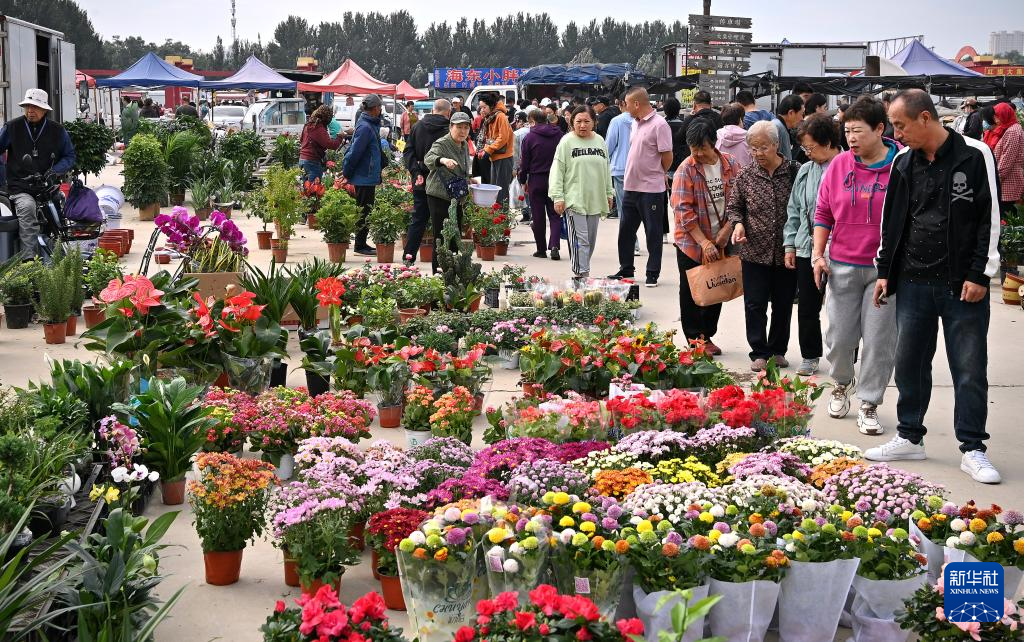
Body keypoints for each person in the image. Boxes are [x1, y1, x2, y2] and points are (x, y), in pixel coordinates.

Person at [865, 89, 1002, 484]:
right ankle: (910, 436)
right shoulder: (903, 163)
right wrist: (885, 272)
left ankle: (973, 448)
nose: (896, 132)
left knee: (969, 368)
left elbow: (988, 219)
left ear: (925, 119)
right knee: (909, 363)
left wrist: (980, 275)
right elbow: (891, 222)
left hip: (962, 285)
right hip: (913, 282)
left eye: (900, 125)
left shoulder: (974, 155)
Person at [811, 96, 900, 435]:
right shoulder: (839, 165)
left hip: (883, 270)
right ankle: (841, 383)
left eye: (858, 131)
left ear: (880, 129)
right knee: (839, 337)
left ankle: (870, 402)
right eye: (846, 131)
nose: (851, 138)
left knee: (879, 340)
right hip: (842, 266)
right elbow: (823, 213)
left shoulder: (901, 166)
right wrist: (819, 255)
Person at [728, 120, 801, 371]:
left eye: (763, 147)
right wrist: (738, 225)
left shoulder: (794, 171)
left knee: (783, 303)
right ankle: (759, 351)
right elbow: (735, 207)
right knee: (755, 303)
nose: (758, 153)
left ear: (776, 145)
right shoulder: (745, 175)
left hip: (787, 251)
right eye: (753, 148)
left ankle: (778, 350)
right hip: (754, 251)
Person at [671, 120, 740, 354]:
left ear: (714, 144)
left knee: (716, 284)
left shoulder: (730, 164)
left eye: (703, 148)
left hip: (721, 237)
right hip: (691, 241)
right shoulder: (686, 169)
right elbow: (683, 211)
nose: (698, 153)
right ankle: (695, 339)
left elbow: (739, 202)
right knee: (692, 290)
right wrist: (704, 242)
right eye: (694, 149)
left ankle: (707, 335)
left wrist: (726, 231)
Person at [783, 115, 841, 378]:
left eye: (810, 148)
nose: (807, 153)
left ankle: (844, 358)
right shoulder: (806, 171)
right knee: (808, 307)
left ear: (828, 142)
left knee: (842, 310)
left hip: (842, 251)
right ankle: (810, 355)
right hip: (808, 249)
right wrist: (790, 245)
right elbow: (794, 209)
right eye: (804, 149)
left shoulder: (848, 167)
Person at [0, 89, 76, 259]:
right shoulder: (12, 127)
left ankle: (59, 257)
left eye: (35, 107)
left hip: (46, 186)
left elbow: (69, 156)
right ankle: (29, 261)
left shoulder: (57, 130)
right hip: (20, 186)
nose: (30, 111)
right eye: (27, 106)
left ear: (44, 110)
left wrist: (55, 171)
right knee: (27, 208)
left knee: (59, 209)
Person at [609, 87, 672, 287]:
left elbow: (667, 157)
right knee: (626, 231)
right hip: (631, 186)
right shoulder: (635, 124)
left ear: (636, 104)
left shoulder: (660, 125)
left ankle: (652, 273)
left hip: (651, 189)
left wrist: (655, 172)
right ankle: (626, 268)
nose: (625, 108)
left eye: (627, 104)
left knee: (653, 232)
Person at [549, 105, 614, 279]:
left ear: (594, 122)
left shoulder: (600, 141)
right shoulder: (566, 141)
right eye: (578, 121)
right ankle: (580, 277)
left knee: (590, 243)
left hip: (595, 200)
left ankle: (583, 272)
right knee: (580, 241)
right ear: (571, 122)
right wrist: (557, 197)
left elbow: (606, 168)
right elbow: (557, 170)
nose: (583, 125)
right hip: (573, 200)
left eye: (587, 121)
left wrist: (609, 193)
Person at [402, 99, 452, 265]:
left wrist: (416, 172)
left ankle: (408, 258)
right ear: (448, 112)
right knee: (442, 224)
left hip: (421, 180)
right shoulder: (449, 130)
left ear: (433, 110)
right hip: (442, 183)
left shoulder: (418, 127)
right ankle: (441, 265)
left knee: (418, 220)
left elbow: (408, 152)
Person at [424, 111, 473, 272]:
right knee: (441, 236)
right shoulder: (442, 143)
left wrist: (469, 180)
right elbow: (429, 158)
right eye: (459, 127)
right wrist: (443, 160)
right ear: (451, 127)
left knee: (455, 236)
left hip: (456, 196)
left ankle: (451, 273)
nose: (463, 131)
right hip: (439, 195)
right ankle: (438, 274)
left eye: (466, 127)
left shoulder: (464, 144)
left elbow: (464, 168)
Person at [342, 94, 386, 256]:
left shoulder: (368, 124)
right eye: (380, 107)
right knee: (364, 211)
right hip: (364, 176)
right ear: (374, 108)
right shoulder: (366, 127)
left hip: (366, 175)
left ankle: (361, 243)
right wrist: (346, 171)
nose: (380, 110)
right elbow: (354, 152)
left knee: (365, 209)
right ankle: (360, 245)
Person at [519, 108, 563, 260]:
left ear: (532, 121)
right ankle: (555, 245)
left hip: (536, 180)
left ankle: (541, 249)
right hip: (555, 179)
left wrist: (522, 180)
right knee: (555, 214)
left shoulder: (529, 137)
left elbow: (524, 163)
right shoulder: (559, 134)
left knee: (538, 216)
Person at [985, 102, 1024, 218]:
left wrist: (995, 179)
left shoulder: (1012, 131)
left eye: (997, 116)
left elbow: (1007, 160)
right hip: (1007, 181)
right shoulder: (1011, 129)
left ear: (1005, 115)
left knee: (1007, 218)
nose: (995, 119)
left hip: (1008, 183)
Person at [476, 93, 515, 206]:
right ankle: (497, 218)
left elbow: (503, 138)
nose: (482, 110)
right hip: (495, 156)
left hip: (503, 157)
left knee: (501, 191)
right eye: (481, 107)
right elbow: (489, 138)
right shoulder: (490, 118)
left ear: (491, 106)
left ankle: (502, 219)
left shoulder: (500, 116)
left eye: (484, 107)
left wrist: (488, 150)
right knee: (494, 190)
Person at [298, 105, 344, 184]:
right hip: (312, 161)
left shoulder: (308, 124)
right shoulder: (317, 127)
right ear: (326, 118)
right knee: (313, 190)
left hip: (303, 160)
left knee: (305, 189)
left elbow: (301, 140)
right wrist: (340, 137)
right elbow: (331, 145)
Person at [605, 95, 633, 220]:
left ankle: (630, 239)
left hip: (620, 168)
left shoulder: (617, 121)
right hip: (638, 168)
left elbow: (608, 146)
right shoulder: (641, 119)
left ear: (622, 103)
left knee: (623, 207)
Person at [512, 107, 537, 223]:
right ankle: (533, 213)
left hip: (522, 166)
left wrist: (515, 168)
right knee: (532, 190)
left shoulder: (516, 134)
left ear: (520, 121)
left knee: (523, 190)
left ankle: (526, 213)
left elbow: (515, 153)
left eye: (516, 122)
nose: (515, 124)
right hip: (535, 165)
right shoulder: (534, 131)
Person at [772, 94, 804, 161]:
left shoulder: (778, 125)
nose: (802, 118)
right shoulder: (776, 127)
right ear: (791, 113)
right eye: (801, 114)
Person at [664, 98, 687, 173]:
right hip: (681, 165)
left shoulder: (660, 126)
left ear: (665, 110)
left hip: (664, 166)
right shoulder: (684, 126)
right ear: (678, 110)